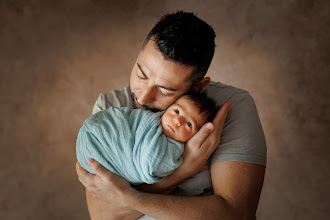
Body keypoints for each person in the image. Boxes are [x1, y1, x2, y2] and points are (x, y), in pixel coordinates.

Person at [76, 10, 266, 219]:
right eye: (141, 74)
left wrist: (128, 198)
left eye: (165, 90)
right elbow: (102, 216)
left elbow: (237, 214)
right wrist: (183, 170)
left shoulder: (232, 106)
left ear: (198, 87)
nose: (143, 98)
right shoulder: (111, 106)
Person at [76, 92, 219, 184]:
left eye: (189, 124)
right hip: (97, 134)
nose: (178, 121)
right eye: (176, 111)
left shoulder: (173, 150)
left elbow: (152, 165)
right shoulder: (150, 118)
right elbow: (128, 120)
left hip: (104, 158)